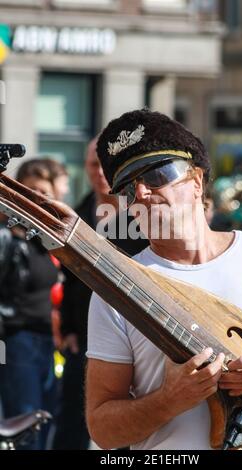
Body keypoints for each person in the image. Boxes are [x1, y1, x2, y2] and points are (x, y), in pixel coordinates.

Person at [85, 109, 242, 450]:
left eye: (157, 175)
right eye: (127, 189)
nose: (141, 193)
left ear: (197, 180)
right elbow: (102, 430)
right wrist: (169, 400)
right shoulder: (117, 291)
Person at [52, 138, 148, 450]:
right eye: (94, 165)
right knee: (73, 423)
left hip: (134, 337)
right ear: (86, 168)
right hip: (84, 336)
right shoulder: (76, 214)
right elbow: (69, 279)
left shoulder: (142, 217)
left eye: (107, 166)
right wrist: (67, 328)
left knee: (126, 426)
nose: (101, 173)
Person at [0, 159, 59, 450]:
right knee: (26, 428)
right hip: (17, 341)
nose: (39, 198)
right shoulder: (7, 238)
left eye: (45, 192)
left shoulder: (45, 241)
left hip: (46, 341)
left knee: (45, 421)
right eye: (32, 190)